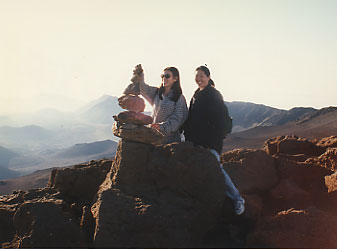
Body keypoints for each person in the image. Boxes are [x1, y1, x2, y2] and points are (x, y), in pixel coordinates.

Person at [182, 65, 245, 215]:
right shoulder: (197, 94)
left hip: (210, 143)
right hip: (196, 142)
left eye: (202, 76)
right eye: (197, 76)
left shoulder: (213, 94)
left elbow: (220, 121)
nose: (199, 79)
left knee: (216, 167)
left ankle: (237, 198)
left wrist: (211, 143)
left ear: (209, 77)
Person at [131, 65, 188, 144]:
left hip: (170, 141)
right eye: (162, 76)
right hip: (153, 138)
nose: (164, 78)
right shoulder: (157, 93)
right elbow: (144, 89)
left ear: (175, 78)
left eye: (167, 76)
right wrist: (140, 75)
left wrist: (162, 126)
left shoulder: (179, 98)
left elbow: (178, 119)